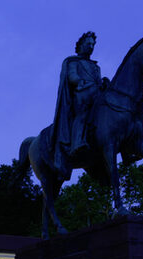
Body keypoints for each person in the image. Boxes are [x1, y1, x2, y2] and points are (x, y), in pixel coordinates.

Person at [51, 31, 109, 170]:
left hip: (96, 93)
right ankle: (77, 143)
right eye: (88, 43)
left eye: (93, 44)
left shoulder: (96, 66)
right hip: (81, 95)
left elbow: (98, 81)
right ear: (80, 45)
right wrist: (80, 81)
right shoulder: (73, 61)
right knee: (82, 114)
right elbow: (72, 77)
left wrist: (104, 83)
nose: (91, 46)